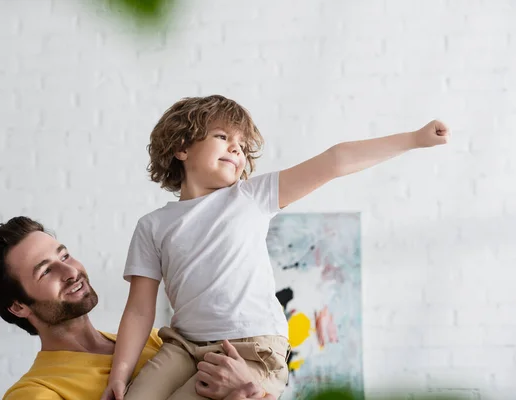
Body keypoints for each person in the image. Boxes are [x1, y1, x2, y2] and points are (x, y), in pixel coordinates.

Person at [104, 95, 450, 399]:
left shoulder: (251, 197)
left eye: (240, 144)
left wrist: (414, 139)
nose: (236, 149)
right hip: (183, 345)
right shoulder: (152, 226)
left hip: (250, 348)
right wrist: (119, 374)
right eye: (222, 137)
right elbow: (138, 310)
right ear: (181, 148)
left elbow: (335, 161)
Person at [0, 216, 268, 400]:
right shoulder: (36, 392)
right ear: (18, 306)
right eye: (45, 271)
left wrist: (252, 388)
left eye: (65, 255)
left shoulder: (158, 342)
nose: (70, 272)